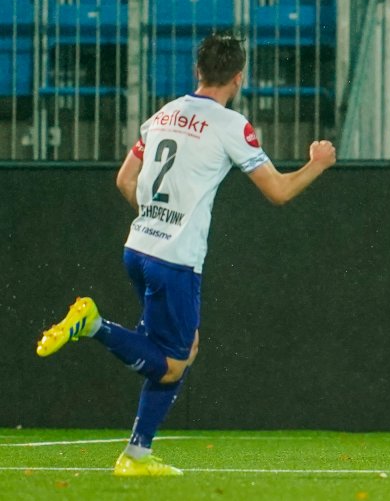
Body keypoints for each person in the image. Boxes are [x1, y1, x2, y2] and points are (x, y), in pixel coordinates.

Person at [36, 32, 336, 476]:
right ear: (239, 78)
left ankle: (137, 454)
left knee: (181, 348)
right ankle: (92, 325)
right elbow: (278, 191)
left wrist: (157, 217)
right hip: (175, 260)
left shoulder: (165, 113)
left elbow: (125, 180)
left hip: (139, 247)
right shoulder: (232, 125)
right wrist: (318, 163)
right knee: (172, 365)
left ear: (198, 72)